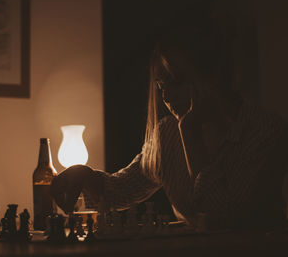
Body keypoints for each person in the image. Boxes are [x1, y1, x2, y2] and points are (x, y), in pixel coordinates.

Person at [50, 24, 288, 231]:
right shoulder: (167, 134)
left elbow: (220, 218)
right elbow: (124, 189)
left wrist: (191, 133)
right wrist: (85, 176)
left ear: (214, 76)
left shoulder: (264, 131)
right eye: (161, 85)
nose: (167, 95)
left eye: (177, 81)